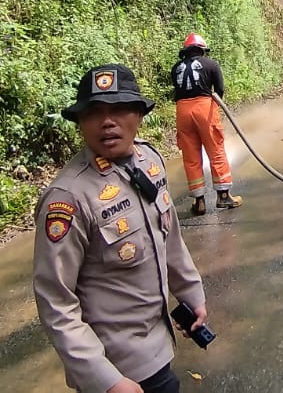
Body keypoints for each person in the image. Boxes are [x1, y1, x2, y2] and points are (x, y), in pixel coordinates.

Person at [34, 64, 208, 393]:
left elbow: (169, 239)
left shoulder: (149, 162)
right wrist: (106, 379)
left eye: (119, 109)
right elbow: (55, 301)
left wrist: (191, 293)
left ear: (139, 115)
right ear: (80, 124)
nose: (107, 122)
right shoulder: (68, 199)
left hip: (159, 347)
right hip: (117, 368)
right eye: (94, 112)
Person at [170, 34, 241, 215]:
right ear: (202, 50)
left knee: (191, 156)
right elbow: (220, 90)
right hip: (204, 108)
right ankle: (224, 197)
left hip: (182, 111)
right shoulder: (211, 64)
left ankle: (199, 201)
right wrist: (213, 108)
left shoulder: (176, 68)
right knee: (215, 151)